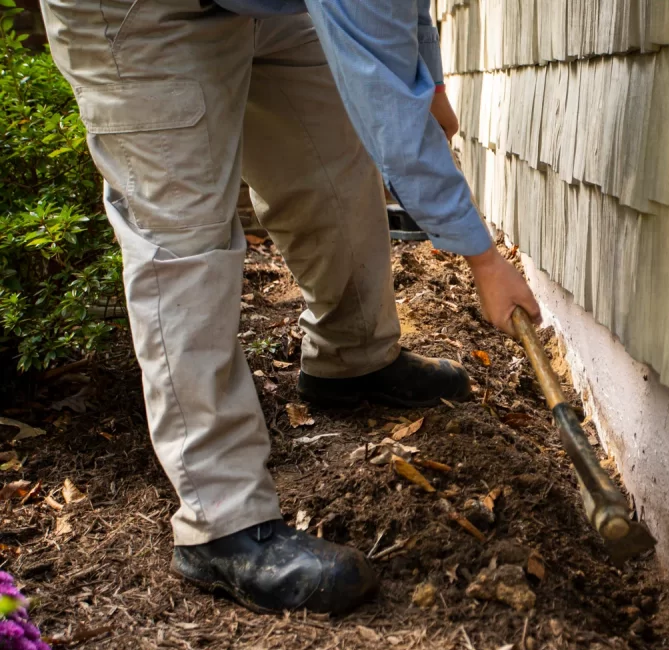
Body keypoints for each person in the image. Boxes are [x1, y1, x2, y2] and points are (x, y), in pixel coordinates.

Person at [38, 0, 541, 615]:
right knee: (183, 241)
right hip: (135, 12)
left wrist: (430, 79)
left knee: (330, 154)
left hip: (259, 7)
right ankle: (220, 522)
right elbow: (383, 96)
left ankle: (352, 357)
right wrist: (482, 258)